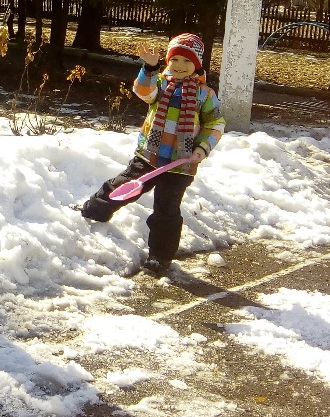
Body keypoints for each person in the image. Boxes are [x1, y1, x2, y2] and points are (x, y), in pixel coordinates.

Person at [79, 33, 225, 276]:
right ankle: (93, 212)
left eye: (186, 61)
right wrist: (149, 68)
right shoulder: (161, 84)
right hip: (150, 155)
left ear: (197, 64)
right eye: (174, 60)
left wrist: (202, 147)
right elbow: (143, 91)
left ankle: (160, 256)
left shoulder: (205, 95)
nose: (179, 66)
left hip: (181, 164)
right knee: (123, 185)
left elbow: (215, 123)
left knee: (166, 209)